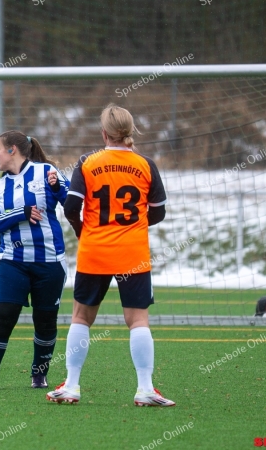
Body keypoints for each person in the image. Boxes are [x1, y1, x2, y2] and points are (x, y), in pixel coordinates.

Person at [46, 104, 173, 406]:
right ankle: (145, 389)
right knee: (138, 319)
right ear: (130, 132)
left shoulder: (87, 162)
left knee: (81, 317)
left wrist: (84, 230)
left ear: (103, 133)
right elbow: (159, 212)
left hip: (95, 251)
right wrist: (134, 226)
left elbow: (71, 208)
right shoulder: (145, 164)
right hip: (133, 252)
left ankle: (72, 386)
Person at [0, 131, 69, 390]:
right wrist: (21, 212)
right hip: (12, 262)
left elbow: (72, 201)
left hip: (49, 262)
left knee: (45, 321)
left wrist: (56, 187)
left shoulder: (46, 172)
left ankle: (39, 375)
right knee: (4, 315)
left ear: (12, 150)